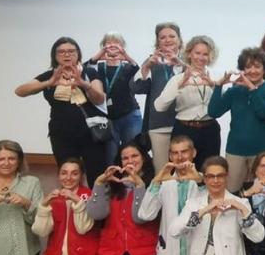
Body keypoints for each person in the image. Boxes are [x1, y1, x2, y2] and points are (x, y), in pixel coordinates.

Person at [14, 37, 108, 186]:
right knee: (68, 175)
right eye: (61, 52)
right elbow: (20, 91)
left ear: (78, 54)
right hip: (61, 134)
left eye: (71, 51)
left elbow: (99, 99)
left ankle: (95, 207)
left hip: (91, 133)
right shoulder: (49, 75)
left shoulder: (90, 72)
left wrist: (83, 84)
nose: (67, 55)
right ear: (55, 56)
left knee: (96, 175)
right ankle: (71, 206)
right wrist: (49, 83)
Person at [208, 46, 265, 192]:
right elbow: (213, 112)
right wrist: (218, 85)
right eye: (248, 67)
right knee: (232, 190)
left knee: (264, 192)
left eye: (257, 67)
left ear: (264, 69)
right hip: (236, 150)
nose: (252, 71)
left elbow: (264, 113)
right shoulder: (235, 90)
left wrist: (252, 89)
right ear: (242, 69)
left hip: (264, 151)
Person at [154, 35, 221, 169]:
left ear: (210, 57)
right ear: (189, 53)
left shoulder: (215, 78)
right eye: (197, 53)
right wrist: (179, 85)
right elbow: (159, 106)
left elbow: (221, 107)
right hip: (184, 130)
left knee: (209, 172)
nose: (201, 58)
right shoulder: (177, 78)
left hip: (210, 131)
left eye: (205, 54)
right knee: (180, 173)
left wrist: (214, 86)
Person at [132, 22, 185, 172]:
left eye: (172, 36)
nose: (167, 40)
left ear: (180, 40)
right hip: (158, 124)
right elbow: (137, 88)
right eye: (163, 37)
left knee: (184, 169)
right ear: (157, 41)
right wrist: (146, 67)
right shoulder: (152, 61)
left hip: (184, 122)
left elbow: (198, 80)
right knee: (162, 171)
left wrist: (181, 63)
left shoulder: (189, 60)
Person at [84, 32, 142, 165]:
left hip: (130, 115)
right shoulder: (98, 67)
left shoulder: (127, 66)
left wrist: (125, 55)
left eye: (116, 43)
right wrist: (100, 54)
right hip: (107, 118)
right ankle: (114, 184)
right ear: (103, 46)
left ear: (122, 46)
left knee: (133, 152)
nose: (112, 45)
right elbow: (84, 69)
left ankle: (134, 183)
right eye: (108, 43)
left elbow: (138, 70)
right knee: (111, 157)